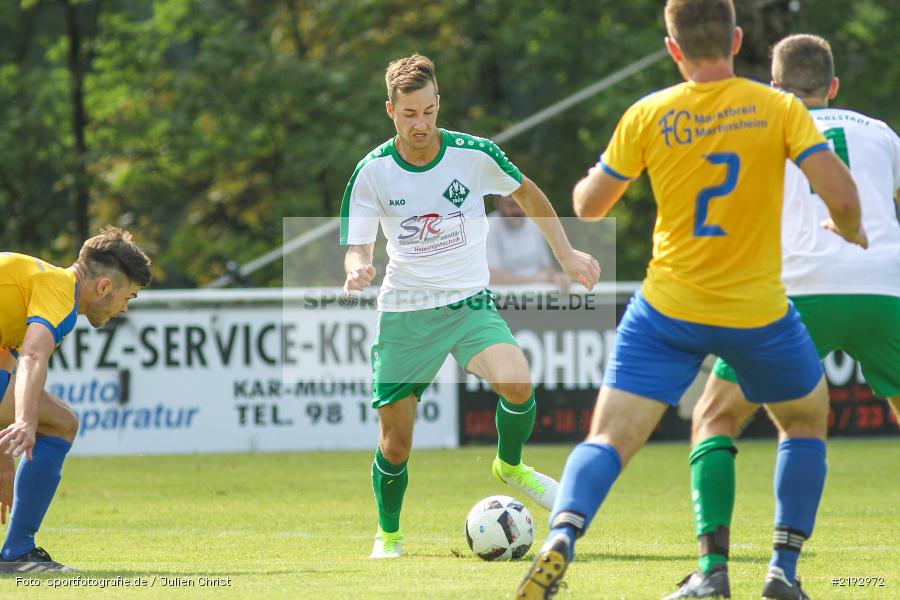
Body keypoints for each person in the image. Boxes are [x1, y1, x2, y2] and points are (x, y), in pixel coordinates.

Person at [515, 1, 866, 598]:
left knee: (608, 438)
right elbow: (844, 197)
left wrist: (595, 174)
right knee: (805, 420)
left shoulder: (649, 113)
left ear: (673, 48)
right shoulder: (778, 107)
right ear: (736, 40)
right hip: (757, 312)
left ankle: (564, 535)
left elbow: (589, 208)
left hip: (668, 309)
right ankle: (782, 571)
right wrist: (848, 227)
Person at [340, 54, 601, 559]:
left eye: (428, 111)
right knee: (395, 445)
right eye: (409, 114)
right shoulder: (372, 172)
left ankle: (511, 466)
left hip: (469, 306)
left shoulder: (474, 155)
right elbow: (357, 246)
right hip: (407, 313)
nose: (421, 124)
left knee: (518, 383)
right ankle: (388, 535)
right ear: (390, 111)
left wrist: (567, 254)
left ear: (438, 105)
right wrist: (358, 267)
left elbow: (529, 194)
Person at [670, 33, 900, 600]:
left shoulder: (761, 128)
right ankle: (782, 574)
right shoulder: (881, 133)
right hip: (885, 287)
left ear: (774, 86)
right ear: (834, 85)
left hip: (797, 291)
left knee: (715, 418)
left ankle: (713, 574)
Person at [0, 228, 151, 573]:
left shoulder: (37, 283)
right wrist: (25, 422)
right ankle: (18, 551)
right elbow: (33, 356)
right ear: (104, 286)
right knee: (60, 424)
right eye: (128, 297)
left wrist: (4, 460)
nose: (124, 309)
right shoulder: (58, 292)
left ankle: (18, 551)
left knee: (59, 421)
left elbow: (4, 365)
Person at [486, 195, 569, 291]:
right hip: (503, 296)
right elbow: (493, 276)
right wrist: (535, 280)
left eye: (520, 204)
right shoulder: (488, 226)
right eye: (511, 205)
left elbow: (546, 268)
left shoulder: (534, 223)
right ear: (499, 205)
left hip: (537, 293)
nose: (516, 211)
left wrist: (557, 277)